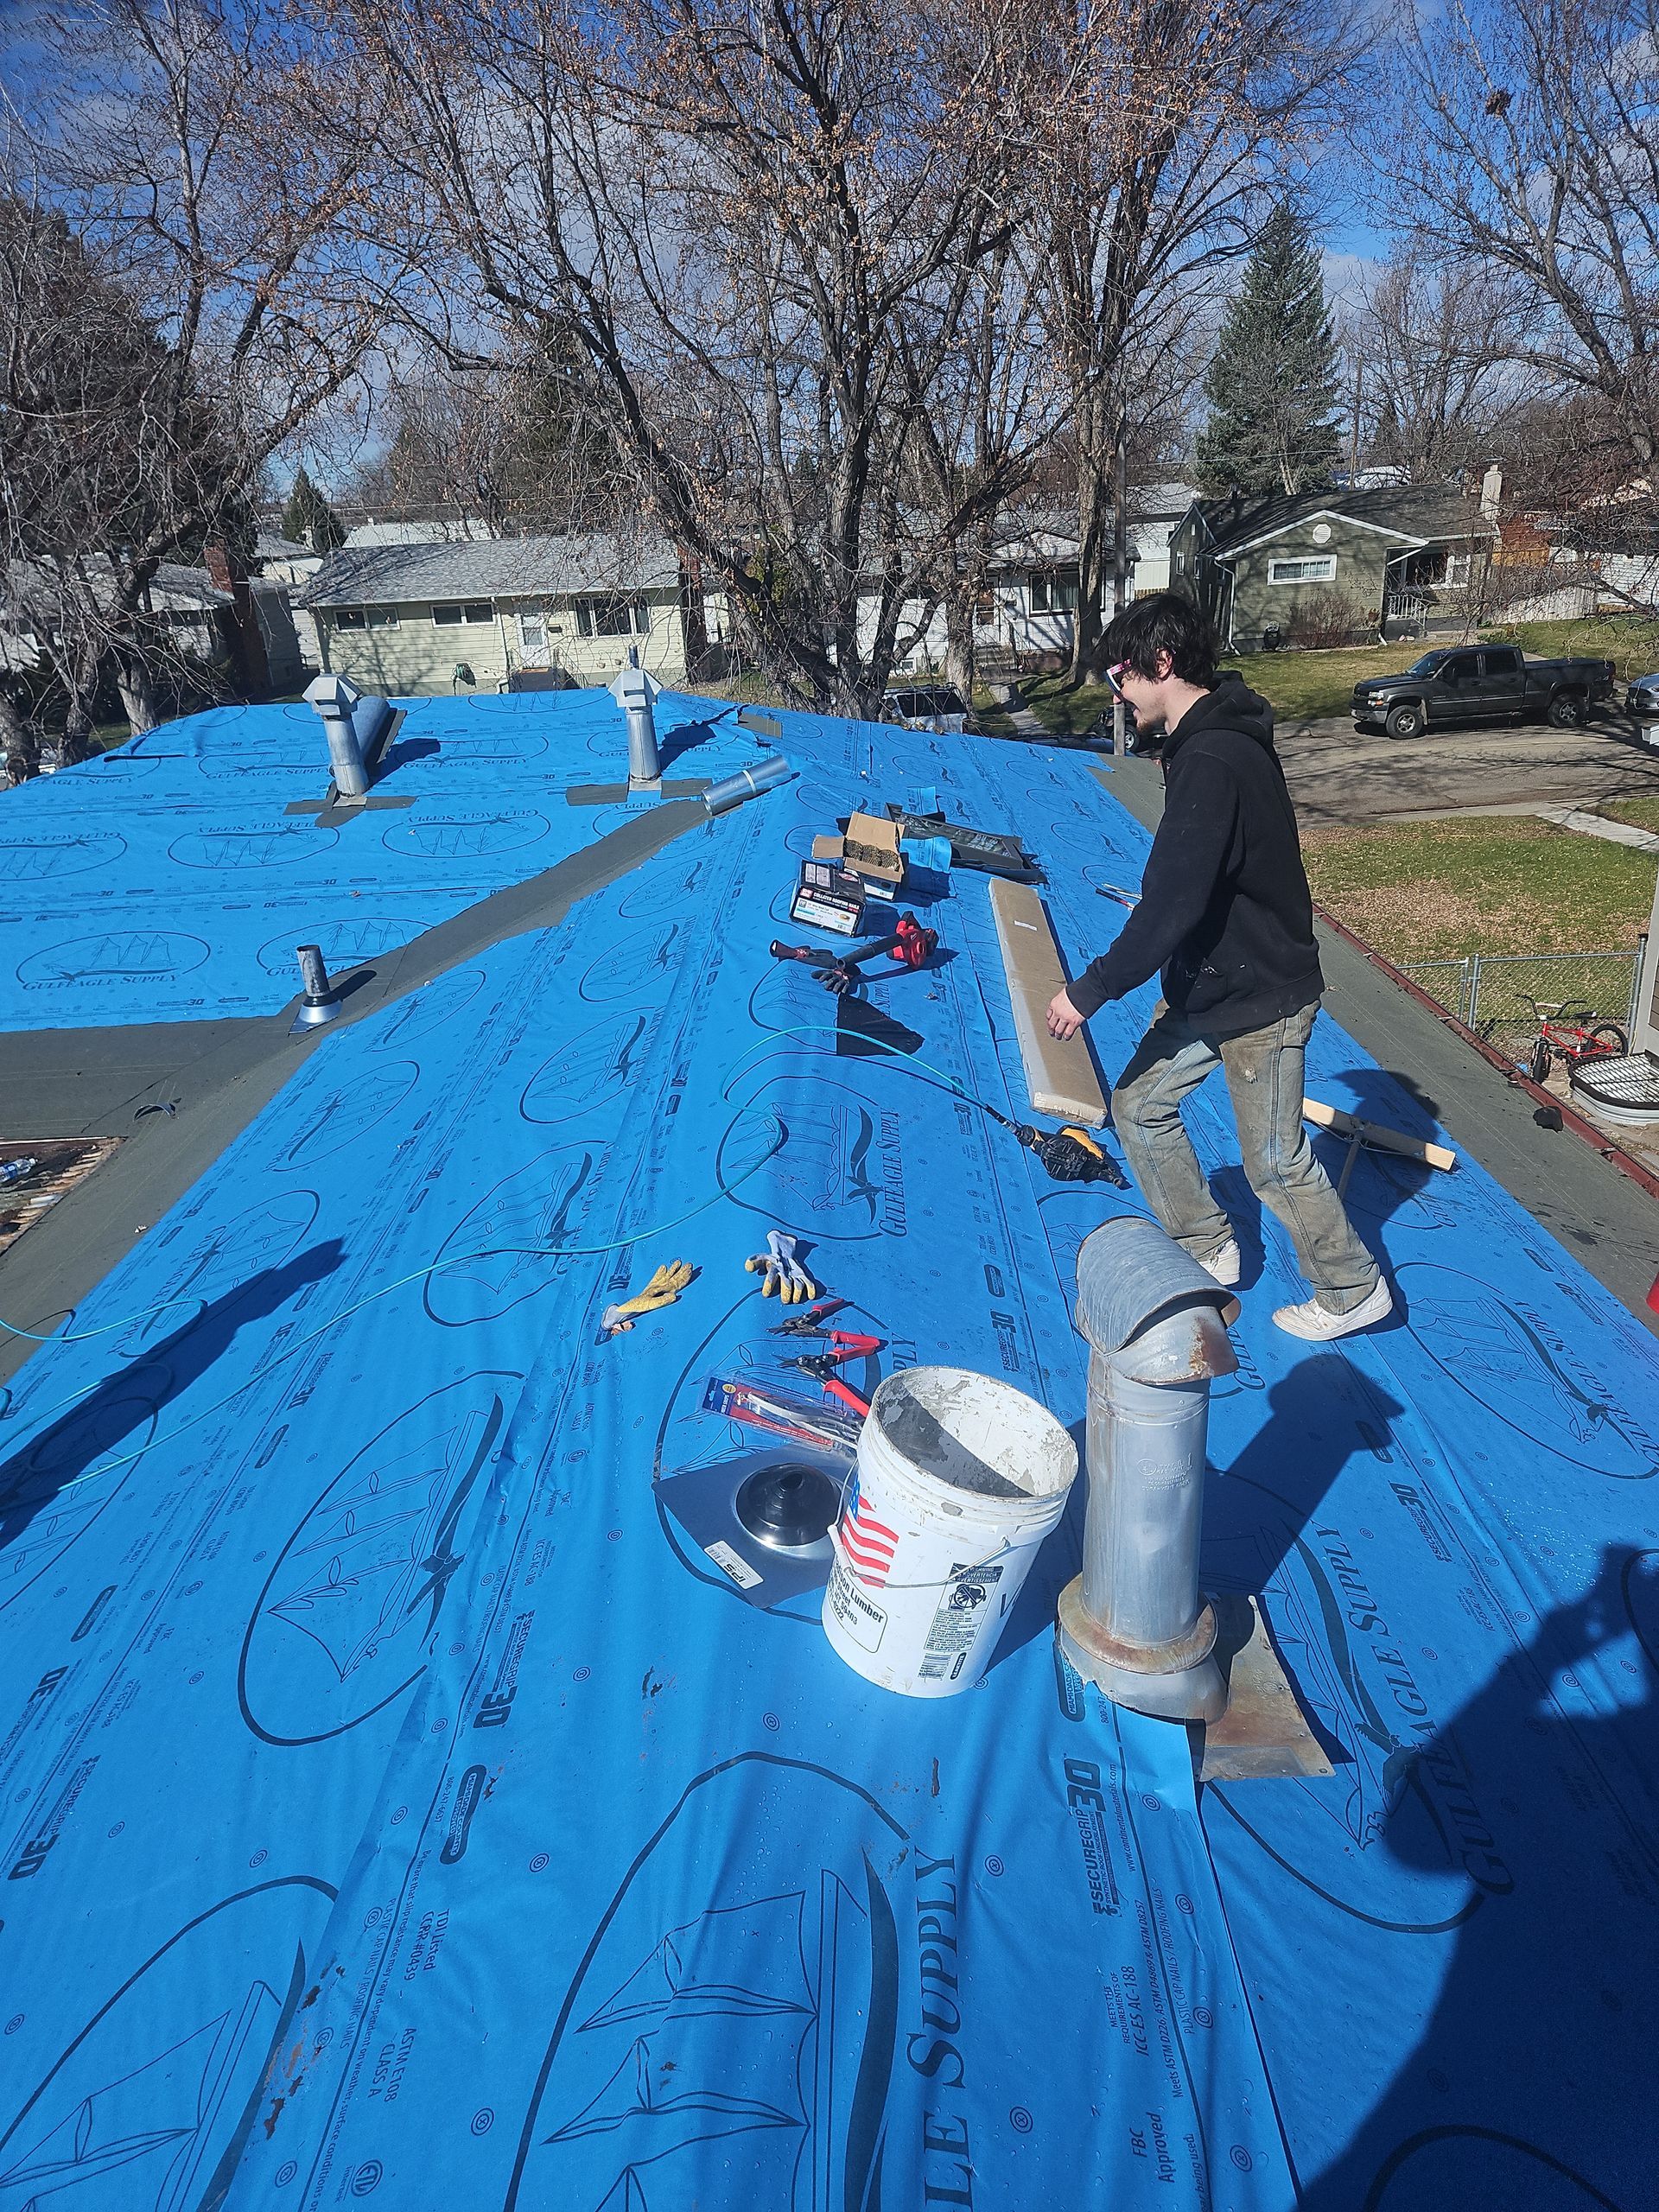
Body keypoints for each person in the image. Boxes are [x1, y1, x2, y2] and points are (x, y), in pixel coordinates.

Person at [1046, 590, 1390, 1341]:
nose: (1116, 693)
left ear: (1160, 665)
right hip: (1216, 982)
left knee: (1272, 1161)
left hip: (1261, 994)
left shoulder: (1212, 759)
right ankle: (1207, 1245)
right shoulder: (1209, 734)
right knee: (1138, 1108)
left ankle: (1352, 1288)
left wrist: (1089, 990)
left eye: (1121, 676)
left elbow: (1171, 905)